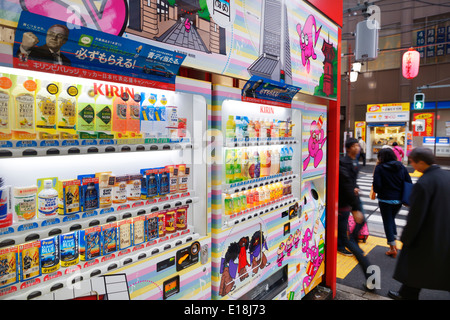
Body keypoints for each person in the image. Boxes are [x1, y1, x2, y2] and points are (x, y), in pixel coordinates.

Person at [388, 147, 450, 300]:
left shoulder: (424, 183)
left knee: (415, 266)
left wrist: (406, 238)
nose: (412, 165)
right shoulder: (446, 176)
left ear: (421, 162)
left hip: (427, 235)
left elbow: (416, 216)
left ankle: (407, 295)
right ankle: (406, 293)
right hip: (445, 231)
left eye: (413, 162)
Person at [338, 137, 372, 290]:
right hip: (346, 205)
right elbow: (346, 185)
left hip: (352, 204)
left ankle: (370, 275)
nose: (358, 147)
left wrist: (356, 188)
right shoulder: (344, 162)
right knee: (349, 239)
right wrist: (356, 208)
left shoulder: (354, 162)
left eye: (358, 145)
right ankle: (371, 277)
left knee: (350, 239)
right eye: (355, 145)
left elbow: (351, 183)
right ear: (348, 148)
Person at [372, 148, 411, 258]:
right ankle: (393, 238)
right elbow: (408, 182)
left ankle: (392, 247)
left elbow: (377, 186)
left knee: (387, 221)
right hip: (398, 200)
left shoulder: (379, 168)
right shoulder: (401, 167)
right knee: (391, 219)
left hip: (385, 199)